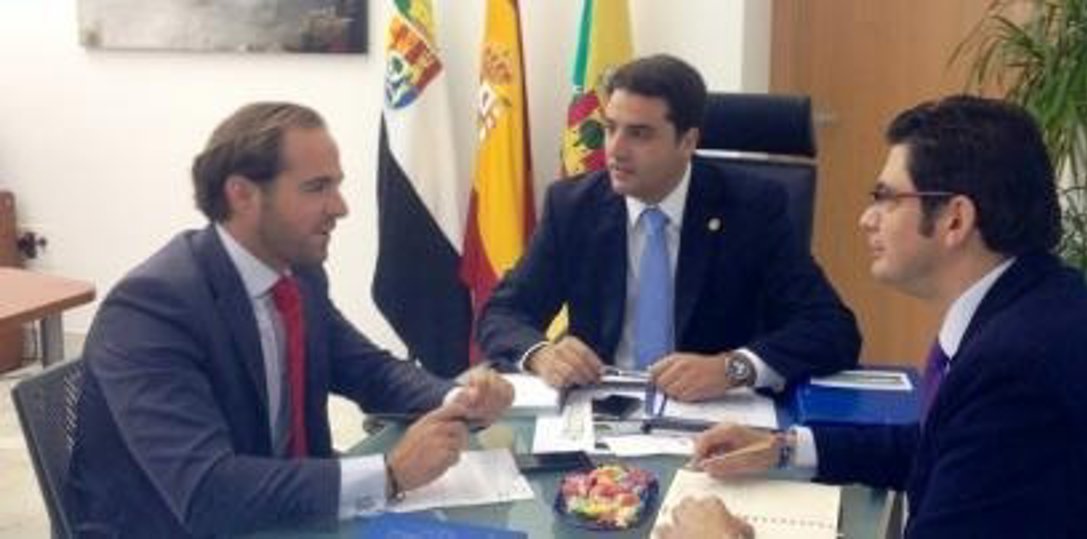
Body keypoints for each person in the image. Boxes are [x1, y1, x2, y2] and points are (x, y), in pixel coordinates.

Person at [656, 95, 1087, 538]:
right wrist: (785, 448)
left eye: (886, 198)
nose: (867, 219)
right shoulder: (1032, 305)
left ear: (955, 220)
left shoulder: (1021, 363)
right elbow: (940, 446)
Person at [67, 102, 514, 537]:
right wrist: (389, 474)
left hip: (285, 516)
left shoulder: (297, 274)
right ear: (242, 194)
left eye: (336, 185)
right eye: (317, 188)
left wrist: (460, 398)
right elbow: (207, 492)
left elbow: (367, 370)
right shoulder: (152, 308)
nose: (340, 207)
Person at [478, 54, 860, 401]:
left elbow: (832, 329)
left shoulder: (751, 208)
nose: (615, 149)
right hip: (600, 411)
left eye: (639, 134)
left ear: (688, 141)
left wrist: (733, 368)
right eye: (611, 128)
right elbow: (503, 312)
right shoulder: (573, 207)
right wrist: (541, 354)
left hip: (714, 416)